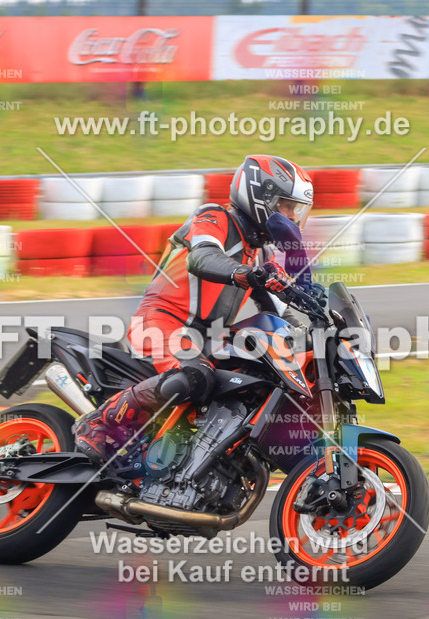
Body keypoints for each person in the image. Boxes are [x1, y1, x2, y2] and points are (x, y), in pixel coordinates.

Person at [73, 155, 317, 465]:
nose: (290, 216)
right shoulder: (214, 217)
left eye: (295, 209)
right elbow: (202, 258)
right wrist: (246, 273)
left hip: (207, 335)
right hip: (162, 319)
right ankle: (99, 422)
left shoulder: (259, 251)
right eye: (285, 205)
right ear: (261, 196)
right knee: (195, 376)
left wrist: (310, 329)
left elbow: (277, 308)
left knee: (253, 374)